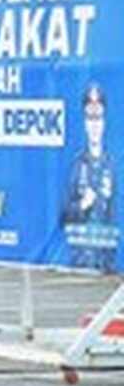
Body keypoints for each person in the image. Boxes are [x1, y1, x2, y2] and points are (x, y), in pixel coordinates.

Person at [63, 84, 118, 273]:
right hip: (81, 261)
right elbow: (63, 215)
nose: (94, 125)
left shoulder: (113, 165)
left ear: (104, 122)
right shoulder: (77, 165)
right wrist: (82, 206)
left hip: (107, 264)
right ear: (85, 123)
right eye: (90, 118)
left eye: (98, 118)